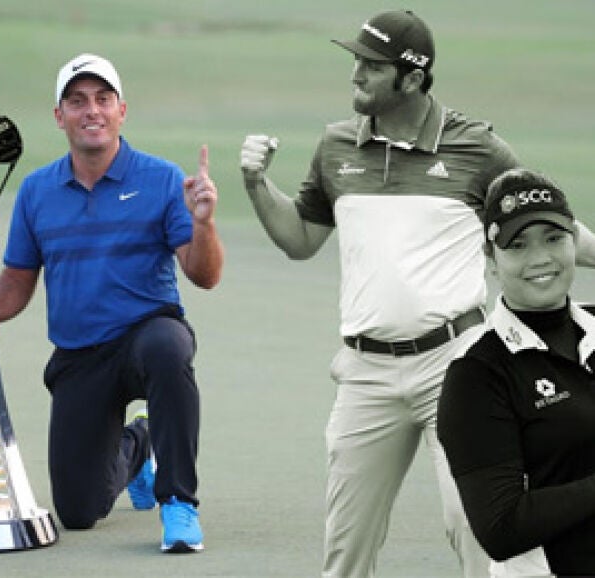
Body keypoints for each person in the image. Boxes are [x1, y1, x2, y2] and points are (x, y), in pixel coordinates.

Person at [240, 10, 595, 577]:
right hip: (365, 372)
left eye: (371, 65)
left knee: (476, 527)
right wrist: (257, 185)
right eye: (356, 61)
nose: (356, 74)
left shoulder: (476, 148)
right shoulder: (336, 146)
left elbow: (541, 219)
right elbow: (300, 239)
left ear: (412, 77)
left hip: (455, 362)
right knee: (346, 541)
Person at [0, 53, 224, 554]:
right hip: (81, 354)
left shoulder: (162, 179)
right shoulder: (36, 191)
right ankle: (139, 446)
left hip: (147, 334)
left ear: (122, 111)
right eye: (77, 101)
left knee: (168, 348)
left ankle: (178, 502)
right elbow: (16, 284)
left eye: (102, 99)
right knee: (78, 510)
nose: (91, 110)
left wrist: (203, 224)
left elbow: (204, 275)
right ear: (59, 116)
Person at [438, 168, 595, 577]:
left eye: (554, 238)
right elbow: (501, 527)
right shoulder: (477, 371)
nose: (540, 258)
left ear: (574, 242)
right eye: (518, 245)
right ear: (492, 259)